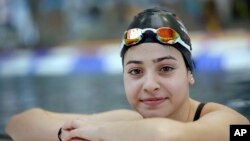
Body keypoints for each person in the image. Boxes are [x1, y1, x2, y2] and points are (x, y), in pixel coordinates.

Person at [5, 7, 249, 141]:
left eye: (165, 68)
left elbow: (166, 137)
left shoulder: (234, 124)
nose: (149, 84)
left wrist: (98, 134)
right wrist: (67, 136)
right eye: (135, 71)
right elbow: (20, 123)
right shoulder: (129, 121)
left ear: (189, 73)